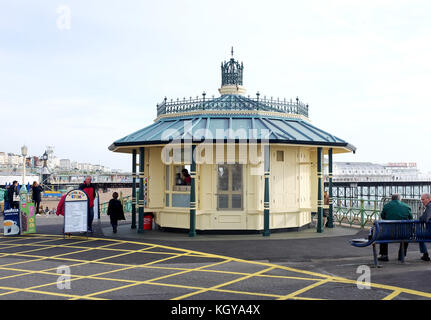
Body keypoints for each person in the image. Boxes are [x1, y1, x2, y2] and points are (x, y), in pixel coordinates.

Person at [378, 194, 413, 262]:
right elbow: (410, 218)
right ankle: (401, 255)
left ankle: (384, 255)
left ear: (391, 199)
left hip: (389, 233)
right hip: (403, 233)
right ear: (400, 199)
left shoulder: (386, 206)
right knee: (406, 236)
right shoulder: (407, 206)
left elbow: (383, 216)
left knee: (383, 235)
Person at [418, 193, 431, 261]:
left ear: (429, 199)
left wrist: (421, 218)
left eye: (423, 199)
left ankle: (425, 254)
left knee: (419, 236)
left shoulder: (429, 206)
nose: (422, 201)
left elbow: (425, 218)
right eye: (421, 199)